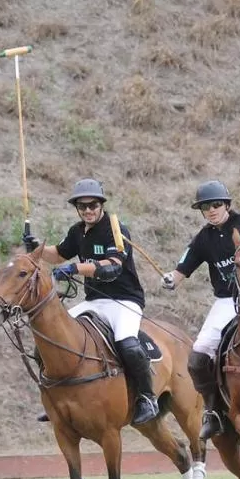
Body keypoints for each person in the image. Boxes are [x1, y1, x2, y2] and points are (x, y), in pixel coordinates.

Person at [160, 180, 240, 440]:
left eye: (216, 204)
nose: (211, 210)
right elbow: (181, 271)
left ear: (227, 204)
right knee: (198, 357)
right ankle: (213, 411)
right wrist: (170, 279)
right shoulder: (203, 239)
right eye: (205, 207)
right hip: (227, 301)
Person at [24, 178, 159, 426]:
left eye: (92, 205)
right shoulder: (78, 231)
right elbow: (58, 255)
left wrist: (75, 268)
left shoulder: (116, 229)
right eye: (82, 206)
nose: (88, 210)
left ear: (101, 204)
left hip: (124, 300)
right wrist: (38, 248)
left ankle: (146, 397)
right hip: (95, 301)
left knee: (127, 344)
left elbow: (112, 268)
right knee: (51, 337)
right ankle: (54, 397)